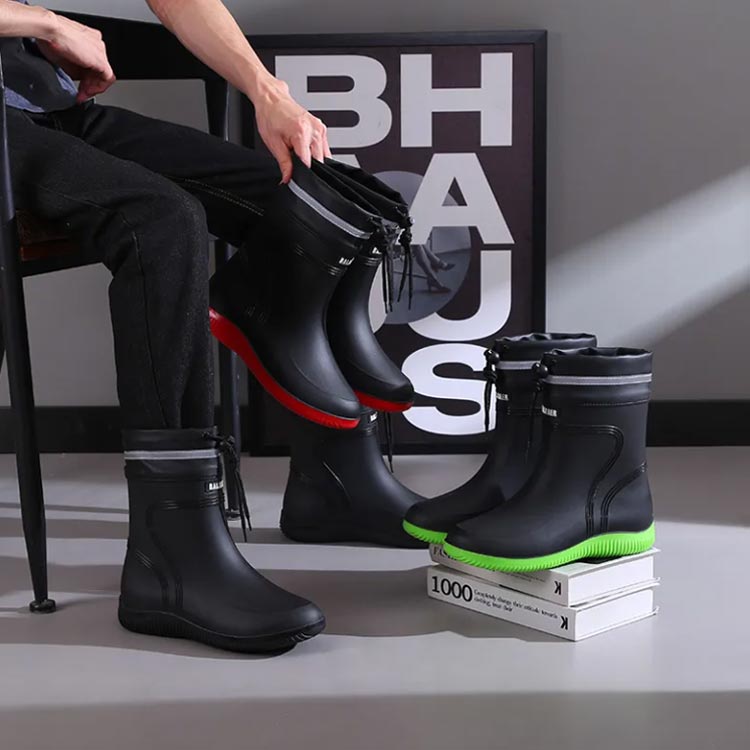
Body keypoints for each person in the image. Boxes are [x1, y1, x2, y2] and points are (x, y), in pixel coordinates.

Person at [0, 0, 339, 654]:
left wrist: (269, 94)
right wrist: (46, 23)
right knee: (160, 220)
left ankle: (336, 481)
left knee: (306, 200)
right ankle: (171, 558)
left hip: (42, 105)